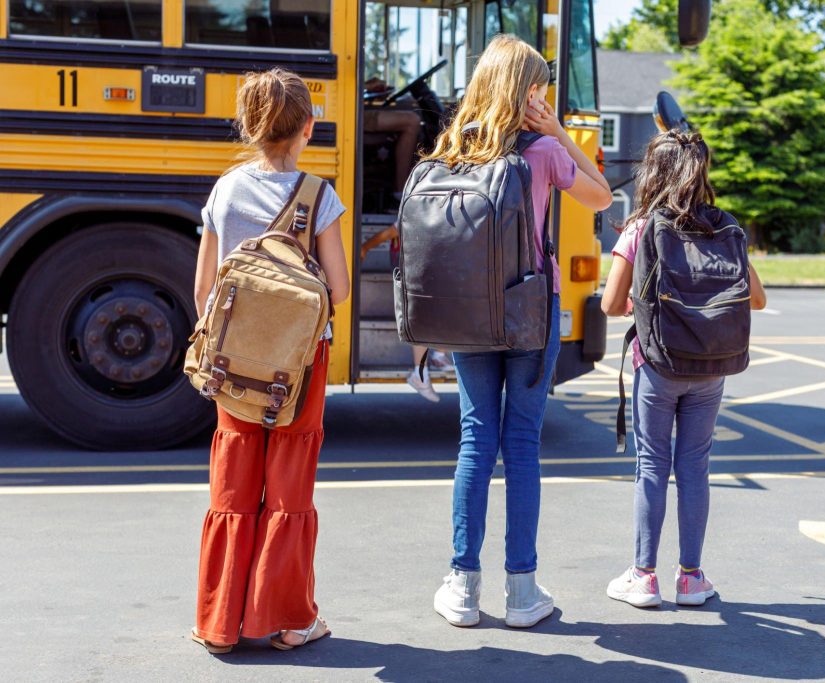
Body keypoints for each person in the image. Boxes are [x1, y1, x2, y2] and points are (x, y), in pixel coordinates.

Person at [424, 35, 612, 628]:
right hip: (530, 310)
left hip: (466, 311)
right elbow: (603, 196)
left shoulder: (451, 150)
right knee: (522, 443)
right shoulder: (543, 152)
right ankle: (522, 592)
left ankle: (461, 585)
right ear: (530, 92)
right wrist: (559, 134)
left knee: (476, 440)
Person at [190, 68, 350, 653]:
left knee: (232, 485)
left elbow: (205, 284)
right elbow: (338, 290)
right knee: (289, 487)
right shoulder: (318, 197)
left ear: (250, 127)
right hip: (298, 368)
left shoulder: (226, 190)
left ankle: (219, 624)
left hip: (234, 362)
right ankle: (288, 621)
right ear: (307, 128)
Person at [601, 131, 766, 608]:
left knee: (652, 465)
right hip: (711, 367)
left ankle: (643, 576)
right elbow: (757, 297)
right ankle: (691, 578)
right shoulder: (725, 229)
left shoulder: (641, 228)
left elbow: (612, 303)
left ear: (653, 172)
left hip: (657, 364)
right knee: (695, 468)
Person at [359, 224, 454, 402]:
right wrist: (364, 248)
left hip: (420, 272)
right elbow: (387, 233)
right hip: (412, 274)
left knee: (435, 312)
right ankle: (422, 372)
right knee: (422, 319)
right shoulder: (411, 214)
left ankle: (433, 361)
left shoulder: (421, 210)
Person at [365, 77, 421, 203]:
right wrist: (367, 87)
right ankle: (400, 191)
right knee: (412, 121)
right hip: (354, 113)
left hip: (358, 108)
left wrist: (370, 87)